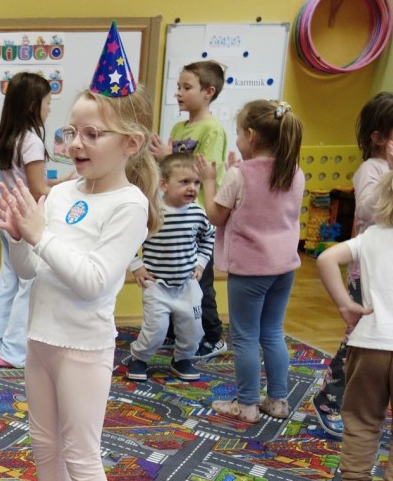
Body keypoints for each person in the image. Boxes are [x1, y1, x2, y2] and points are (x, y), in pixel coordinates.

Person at [0, 23, 162, 481]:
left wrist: (39, 235)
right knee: (44, 443)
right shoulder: (62, 193)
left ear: (131, 144)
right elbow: (28, 271)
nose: (77, 144)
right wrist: (19, 234)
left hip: (84, 346)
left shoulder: (129, 204)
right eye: (71, 132)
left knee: (80, 451)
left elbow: (92, 282)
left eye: (93, 134)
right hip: (41, 338)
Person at [318, 156, 393, 481]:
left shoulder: (374, 236)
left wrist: (345, 304)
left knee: (362, 418)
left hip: (369, 343)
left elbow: (326, 259)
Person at [312, 92, 393, 438]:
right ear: (379, 137)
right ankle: (329, 399)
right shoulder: (373, 169)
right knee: (361, 336)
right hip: (370, 269)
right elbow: (368, 210)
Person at [198, 99, 304, 424]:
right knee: (272, 332)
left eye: (239, 135)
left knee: (244, 336)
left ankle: (246, 405)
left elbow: (216, 216)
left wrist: (208, 180)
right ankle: (278, 401)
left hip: (250, 270)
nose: (238, 140)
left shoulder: (239, 174)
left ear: (251, 136)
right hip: (283, 268)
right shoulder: (294, 171)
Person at [150, 60, 228, 360]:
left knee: (197, 279)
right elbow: (172, 171)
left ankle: (212, 336)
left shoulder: (212, 129)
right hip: (174, 214)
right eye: (178, 87)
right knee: (171, 271)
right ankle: (177, 329)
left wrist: (168, 156)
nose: (178, 93)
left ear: (208, 92)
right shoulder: (179, 127)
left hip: (196, 217)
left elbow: (202, 172)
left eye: (186, 87)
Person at [0, 71, 52, 368]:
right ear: (34, 106)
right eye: (48, 103)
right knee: (28, 284)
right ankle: (12, 352)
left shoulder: (10, 136)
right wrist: (69, 187)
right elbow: (38, 190)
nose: (49, 109)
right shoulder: (32, 140)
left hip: (7, 216)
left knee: (8, 281)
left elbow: (26, 183)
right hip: (23, 221)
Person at [124, 153, 214, 382]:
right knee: (156, 329)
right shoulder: (152, 212)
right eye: (184, 182)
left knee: (193, 330)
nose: (192, 188)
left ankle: (183, 359)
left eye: (196, 182)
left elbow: (208, 237)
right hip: (157, 285)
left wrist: (201, 263)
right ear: (164, 184)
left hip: (187, 285)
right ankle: (139, 358)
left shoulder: (198, 212)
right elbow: (128, 237)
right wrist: (136, 266)